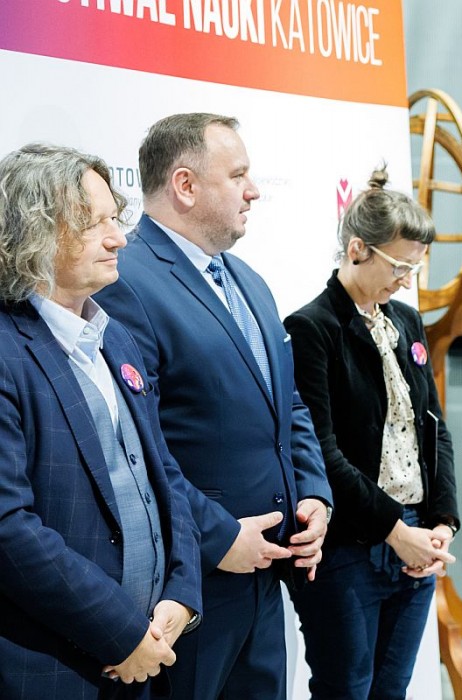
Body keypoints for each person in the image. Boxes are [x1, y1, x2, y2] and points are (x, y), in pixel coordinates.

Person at [95, 113, 332, 699]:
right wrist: (219, 536)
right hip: (191, 588)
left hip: (265, 578)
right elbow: (136, 446)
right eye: (238, 175)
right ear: (186, 185)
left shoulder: (248, 279)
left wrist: (313, 493)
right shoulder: (125, 282)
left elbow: (287, 402)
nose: (254, 191)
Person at [0, 144, 201, 696]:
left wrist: (183, 593)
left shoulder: (117, 339)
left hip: (150, 656)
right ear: (35, 232)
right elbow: (8, 528)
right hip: (51, 668)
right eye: (95, 225)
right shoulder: (6, 350)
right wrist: (121, 633)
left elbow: (164, 475)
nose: (119, 239)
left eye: (115, 219)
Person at [283, 167, 459, 699]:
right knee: (346, 688)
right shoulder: (311, 328)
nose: (406, 280)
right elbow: (320, 451)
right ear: (358, 248)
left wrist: (443, 520)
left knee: (391, 689)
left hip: (414, 531)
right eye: (399, 266)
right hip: (348, 543)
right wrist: (394, 530)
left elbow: (432, 429)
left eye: (415, 268)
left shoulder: (405, 320)